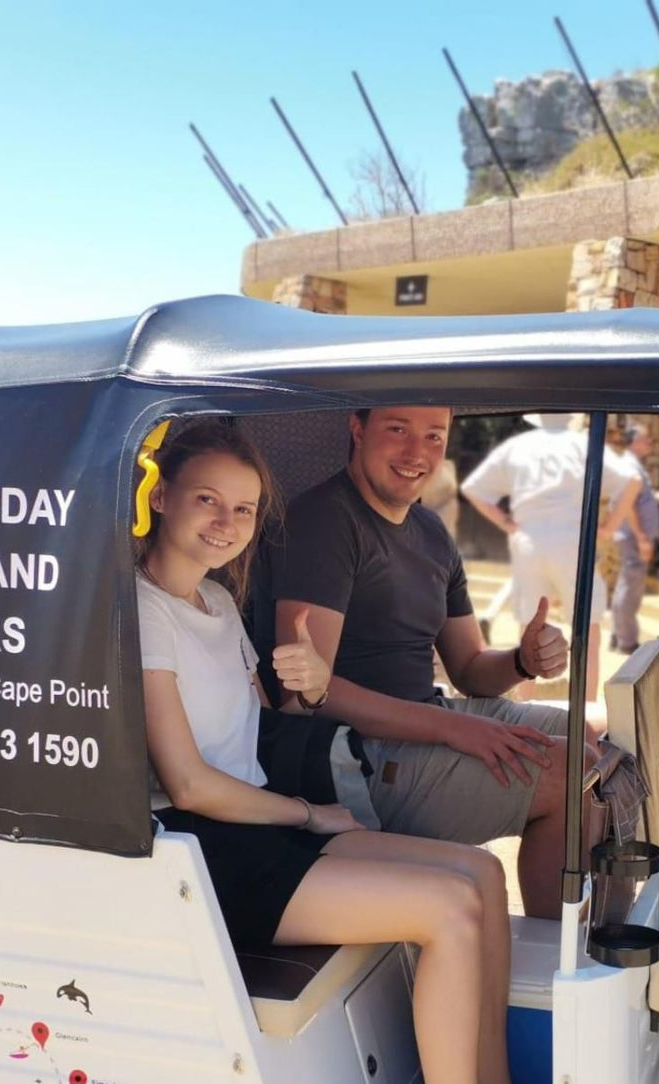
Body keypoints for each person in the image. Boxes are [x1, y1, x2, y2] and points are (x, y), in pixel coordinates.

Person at [137, 421, 512, 1083]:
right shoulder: (141, 612)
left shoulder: (218, 599)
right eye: (206, 500)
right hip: (198, 848)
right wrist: (307, 814)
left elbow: (266, 718)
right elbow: (189, 785)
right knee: (446, 912)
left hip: (252, 826)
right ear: (161, 497)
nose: (227, 521)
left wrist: (308, 686)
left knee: (480, 876)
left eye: (244, 508)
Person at [259, 406, 601, 920]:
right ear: (357, 430)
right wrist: (450, 727)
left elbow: (467, 668)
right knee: (569, 772)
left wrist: (522, 661)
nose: (417, 453)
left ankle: (599, 944)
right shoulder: (325, 521)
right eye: (397, 430)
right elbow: (304, 695)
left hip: (424, 721)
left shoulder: (432, 531)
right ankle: (558, 968)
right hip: (347, 756)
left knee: (599, 738)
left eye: (433, 435)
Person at [460, 413, 641, 700]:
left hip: (528, 538)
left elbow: (472, 488)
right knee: (587, 627)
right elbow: (632, 481)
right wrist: (609, 527)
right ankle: (585, 704)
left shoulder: (519, 445)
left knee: (529, 626)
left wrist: (507, 523)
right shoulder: (583, 444)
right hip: (571, 537)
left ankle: (524, 704)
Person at [610, 423, 659, 655]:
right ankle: (626, 641)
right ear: (633, 442)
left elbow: (640, 501)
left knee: (628, 583)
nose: (650, 443)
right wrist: (642, 537)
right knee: (630, 585)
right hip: (633, 536)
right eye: (646, 439)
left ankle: (618, 634)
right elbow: (628, 505)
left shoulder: (632, 466)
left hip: (633, 534)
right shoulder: (629, 467)